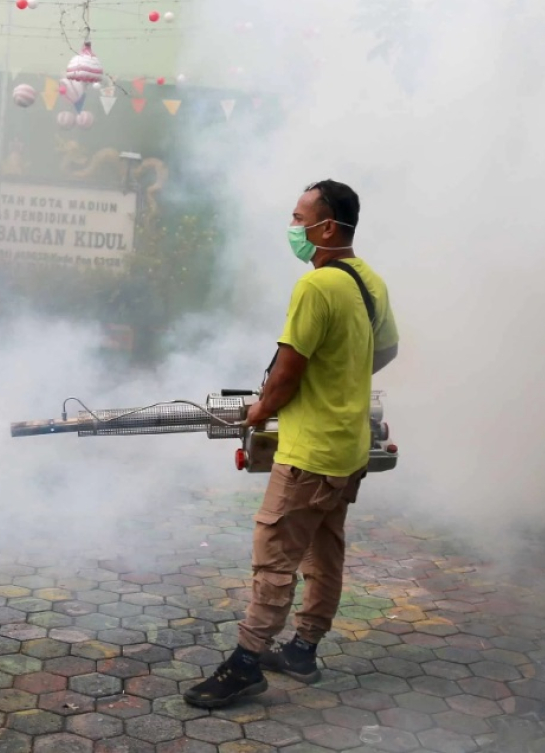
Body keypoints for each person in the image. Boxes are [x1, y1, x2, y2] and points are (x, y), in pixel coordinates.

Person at [185, 179, 399, 709]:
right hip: (348, 451)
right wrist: (342, 381)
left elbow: (284, 375)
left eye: (299, 218)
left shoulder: (316, 286)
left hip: (308, 456)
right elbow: (387, 349)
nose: (293, 227)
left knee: (275, 558)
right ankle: (303, 650)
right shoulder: (369, 281)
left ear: (327, 227)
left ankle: (245, 664)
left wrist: (257, 413)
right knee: (325, 553)